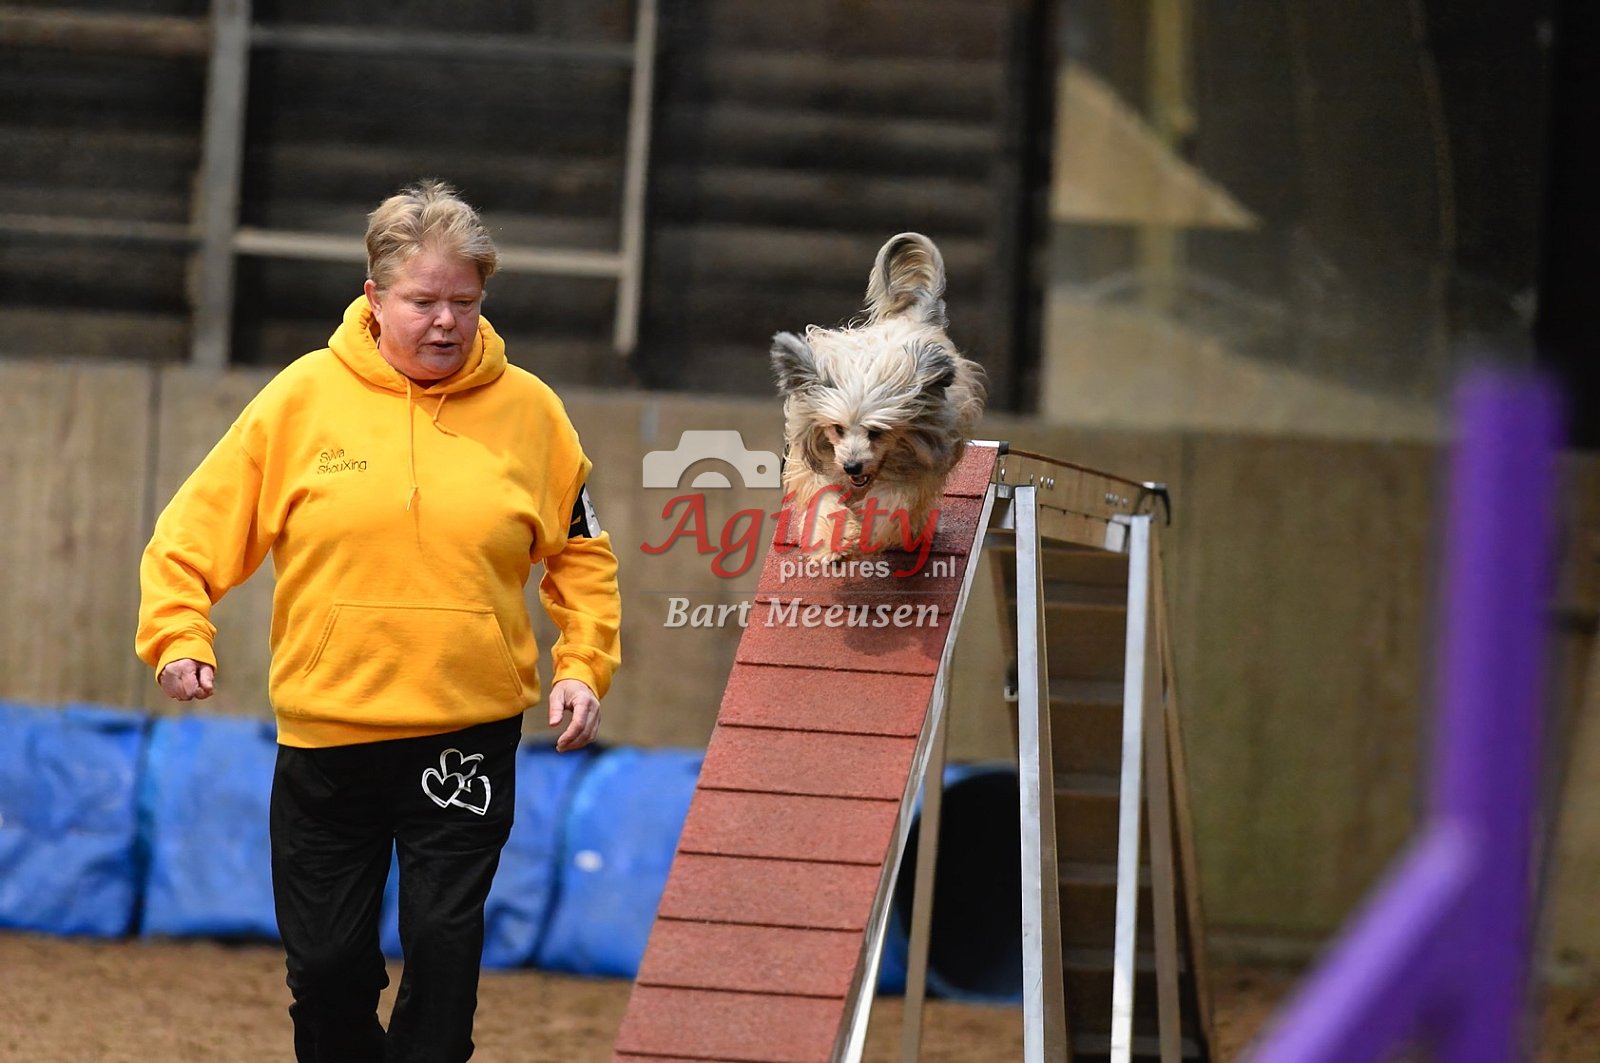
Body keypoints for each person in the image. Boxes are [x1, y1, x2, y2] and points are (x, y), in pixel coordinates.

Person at [135, 179, 621, 1063]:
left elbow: (582, 555)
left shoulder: (533, 413)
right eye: (423, 301)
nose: (446, 321)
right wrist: (178, 633)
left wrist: (583, 663)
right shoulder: (300, 399)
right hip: (329, 732)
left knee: (443, 949)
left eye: (464, 302)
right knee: (326, 967)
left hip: (465, 731)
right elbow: (191, 535)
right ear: (373, 297)